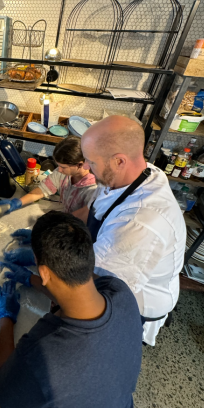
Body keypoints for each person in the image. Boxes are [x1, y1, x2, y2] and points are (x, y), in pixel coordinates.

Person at [0, 211, 143, 408]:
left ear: (44, 271)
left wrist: (6, 319)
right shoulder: (121, 293)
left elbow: (8, 402)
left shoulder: (41, 354)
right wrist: (31, 279)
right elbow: (76, 286)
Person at [75, 115, 186, 345]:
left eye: (90, 162)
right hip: (108, 259)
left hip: (138, 300)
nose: (85, 167)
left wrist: (44, 264)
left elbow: (93, 284)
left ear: (119, 161)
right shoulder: (132, 174)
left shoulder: (140, 223)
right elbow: (95, 210)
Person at [0, 136, 96, 215]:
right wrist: (18, 202)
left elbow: (85, 219)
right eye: (58, 165)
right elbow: (42, 190)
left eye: (63, 167)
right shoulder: (63, 174)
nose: (59, 170)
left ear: (80, 164)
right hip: (66, 217)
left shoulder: (92, 189)